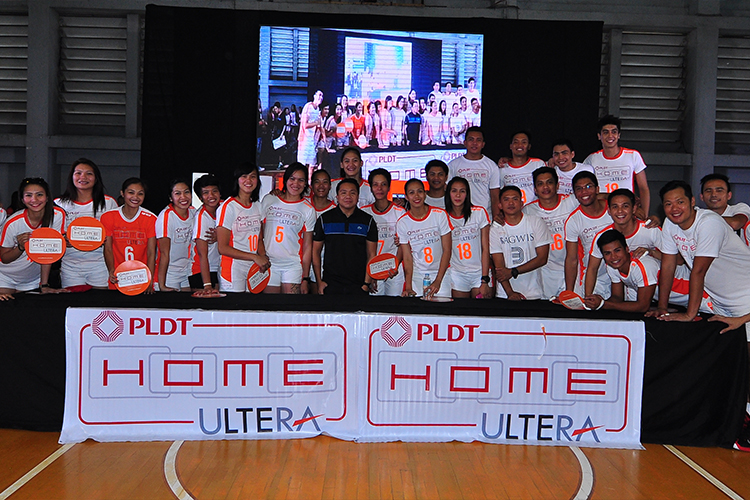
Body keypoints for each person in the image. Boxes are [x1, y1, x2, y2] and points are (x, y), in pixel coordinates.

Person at [650, 180, 750, 325]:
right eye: (668, 204)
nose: (675, 208)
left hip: (745, 299)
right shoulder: (670, 224)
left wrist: (689, 315)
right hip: (719, 303)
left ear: (692, 201)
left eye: (680, 202)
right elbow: (668, 266)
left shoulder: (709, 223)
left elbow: (698, 271)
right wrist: (662, 307)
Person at [585, 229, 715, 314]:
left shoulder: (642, 265)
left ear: (626, 249)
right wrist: (599, 301)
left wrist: (604, 304)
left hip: (705, 296)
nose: (613, 257)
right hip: (685, 303)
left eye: (617, 251)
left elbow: (642, 306)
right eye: (607, 253)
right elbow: (618, 298)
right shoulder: (612, 266)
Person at [584, 188, 662, 298]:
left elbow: (677, 259)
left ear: (634, 208)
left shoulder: (650, 230)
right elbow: (592, 269)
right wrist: (588, 297)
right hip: (629, 293)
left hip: (660, 290)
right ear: (609, 210)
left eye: (625, 206)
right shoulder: (603, 236)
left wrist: (650, 252)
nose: (620, 211)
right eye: (615, 207)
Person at [55, 158, 118, 289]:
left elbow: (116, 234)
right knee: (74, 305)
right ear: (71, 177)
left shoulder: (108, 203)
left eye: (89, 173)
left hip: (100, 265)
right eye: (78, 173)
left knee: (100, 306)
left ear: (96, 178)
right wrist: (61, 240)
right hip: (70, 266)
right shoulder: (59, 204)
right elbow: (51, 235)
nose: (83, 177)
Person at [0, 177, 67, 294]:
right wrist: (20, 247)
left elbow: (48, 253)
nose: (34, 200)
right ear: (22, 199)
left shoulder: (57, 215)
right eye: (28, 195)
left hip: (32, 280)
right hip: (5, 277)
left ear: (47, 197)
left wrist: (44, 284)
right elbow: (4, 258)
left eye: (39, 195)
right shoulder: (12, 223)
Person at [312, 178, 378, 295]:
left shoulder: (367, 221)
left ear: (358, 196)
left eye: (352, 193)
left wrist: (366, 284)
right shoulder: (325, 219)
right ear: (337, 196)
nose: (348, 196)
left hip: (358, 285)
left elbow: (371, 254)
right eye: (343, 193)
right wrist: (319, 281)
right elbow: (315, 252)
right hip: (330, 283)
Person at [522, 167, 579, 299]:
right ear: (535, 189)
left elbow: (595, 197)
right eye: (540, 184)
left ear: (557, 185)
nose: (545, 187)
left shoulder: (571, 201)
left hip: (574, 267)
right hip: (545, 271)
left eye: (549, 182)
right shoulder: (528, 211)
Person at [261, 162, 317, 294]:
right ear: (285, 180)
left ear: (305, 184)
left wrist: (305, 278)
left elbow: (307, 246)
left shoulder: (308, 209)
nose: (295, 184)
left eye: (301, 180)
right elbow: (259, 232)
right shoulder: (269, 200)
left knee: (290, 307)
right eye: (292, 178)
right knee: (270, 307)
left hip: (292, 266)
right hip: (269, 263)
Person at [490, 186, 551, 300]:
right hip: (505, 294)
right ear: (500, 205)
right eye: (506, 199)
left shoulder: (535, 222)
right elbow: (499, 267)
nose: (511, 203)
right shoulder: (495, 229)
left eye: (515, 199)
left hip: (533, 292)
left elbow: (542, 258)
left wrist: (513, 271)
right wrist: (510, 293)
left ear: (522, 203)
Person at [216, 163, 269, 293]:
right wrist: (254, 257)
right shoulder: (228, 207)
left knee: (251, 310)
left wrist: (262, 258)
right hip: (233, 268)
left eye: (253, 176)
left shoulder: (257, 205)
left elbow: (259, 238)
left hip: (253, 268)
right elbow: (222, 248)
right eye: (244, 176)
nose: (248, 180)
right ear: (237, 179)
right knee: (233, 310)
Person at [584, 114, 651, 216]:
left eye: (614, 132)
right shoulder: (592, 159)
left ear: (619, 135)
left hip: (625, 213)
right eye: (605, 132)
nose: (610, 136)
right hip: (601, 212)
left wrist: (644, 214)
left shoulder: (633, 155)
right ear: (599, 136)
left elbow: (643, 188)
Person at [396, 178, 452, 299]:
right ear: (406, 197)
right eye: (411, 193)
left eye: (420, 191)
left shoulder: (439, 214)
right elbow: (407, 257)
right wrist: (408, 286)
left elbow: (447, 250)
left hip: (441, 273)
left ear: (425, 194)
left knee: (442, 313)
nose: (416, 196)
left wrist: (438, 280)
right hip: (418, 274)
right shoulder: (402, 222)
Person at [101, 178, 157, 293]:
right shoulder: (108, 217)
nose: (135, 197)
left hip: (140, 278)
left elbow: (151, 252)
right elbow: (108, 248)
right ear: (122, 193)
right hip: (118, 278)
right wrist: (111, 270)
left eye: (140, 194)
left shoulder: (151, 219)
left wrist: (149, 279)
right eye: (131, 192)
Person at [564, 171, 613, 298]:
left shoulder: (614, 208)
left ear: (597, 189)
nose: (584, 192)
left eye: (588, 187)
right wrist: (569, 292)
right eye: (579, 189)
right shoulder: (573, 220)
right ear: (574, 194)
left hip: (621, 272)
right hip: (594, 277)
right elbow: (571, 259)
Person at [445, 177, 491, 299]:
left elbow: (485, 248)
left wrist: (485, 279)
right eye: (454, 191)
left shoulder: (479, 212)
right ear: (448, 193)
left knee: (481, 314)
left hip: (479, 273)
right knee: (460, 313)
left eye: (462, 191)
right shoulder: (443, 217)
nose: (458, 195)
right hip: (457, 273)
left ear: (467, 194)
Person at [362, 168, 406, 296]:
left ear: (389, 187)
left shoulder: (400, 212)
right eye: (375, 185)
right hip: (372, 269)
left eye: (383, 184)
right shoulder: (364, 212)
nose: (379, 188)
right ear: (370, 188)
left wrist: (395, 266)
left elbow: (403, 244)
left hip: (394, 269)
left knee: (394, 307)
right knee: (375, 309)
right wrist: (370, 273)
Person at [447, 127, 500, 219]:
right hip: (459, 217)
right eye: (471, 139)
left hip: (484, 217)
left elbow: (495, 197)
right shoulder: (453, 165)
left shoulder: (492, 166)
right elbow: (447, 193)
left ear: (483, 144)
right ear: (465, 143)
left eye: (478, 140)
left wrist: (496, 218)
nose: (474, 143)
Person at [156, 179, 196, 291]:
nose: (183, 197)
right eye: (177, 193)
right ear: (170, 197)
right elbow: (164, 253)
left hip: (187, 271)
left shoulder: (194, 212)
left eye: (186, 192)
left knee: (189, 306)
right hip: (169, 273)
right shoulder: (166, 216)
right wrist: (162, 285)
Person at [190, 174, 221, 294]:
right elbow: (201, 254)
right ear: (200, 197)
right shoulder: (201, 217)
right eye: (206, 193)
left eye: (214, 191)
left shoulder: (224, 208)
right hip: (201, 271)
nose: (211, 196)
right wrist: (207, 285)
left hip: (218, 268)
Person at [497, 131, 546, 205]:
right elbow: (499, 195)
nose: (519, 145)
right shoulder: (502, 169)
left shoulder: (538, 164)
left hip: (536, 211)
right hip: (513, 213)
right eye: (516, 142)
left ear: (529, 146)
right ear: (511, 146)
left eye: (524, 142)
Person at [699, 173, 750, 240]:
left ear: (729, 195)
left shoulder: (740, 208)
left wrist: (701, 221)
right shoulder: (699, 214)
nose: (714, 194)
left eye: (719, 191)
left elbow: (735, 223)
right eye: (708, 191)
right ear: (702, 197)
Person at [297, 90, 324, 175]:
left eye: (322, 96)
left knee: (312, 164)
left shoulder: (318, 109)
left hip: (312, 140)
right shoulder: (308, 106)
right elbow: (305, 125)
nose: (321, 97)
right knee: (302, 165)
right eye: (319, 95)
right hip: (304, 139)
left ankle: (309, 183)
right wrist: (316, 123)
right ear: (314, 96)